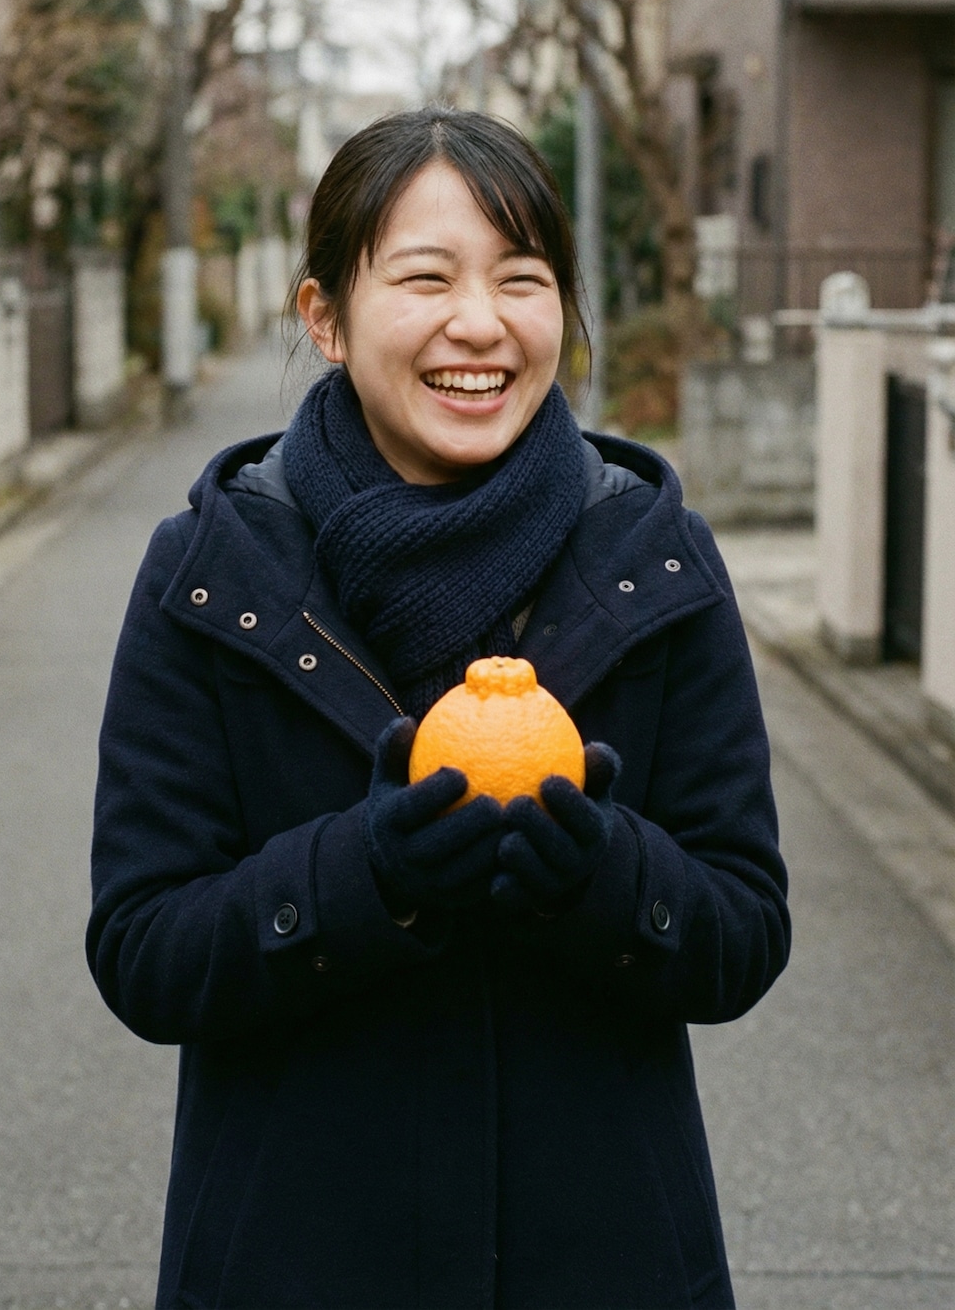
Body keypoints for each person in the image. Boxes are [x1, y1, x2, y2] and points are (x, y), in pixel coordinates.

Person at [87, 106, 790, 1310]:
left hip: (605, 1263)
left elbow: (742, 927)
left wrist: (603, 872)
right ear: (325, 315)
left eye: (522, 279)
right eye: (426, 277)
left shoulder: (655, 559)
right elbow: (146, 949)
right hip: (290, 1262)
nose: (481, 322)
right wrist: (368, 871)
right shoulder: (212, 572)